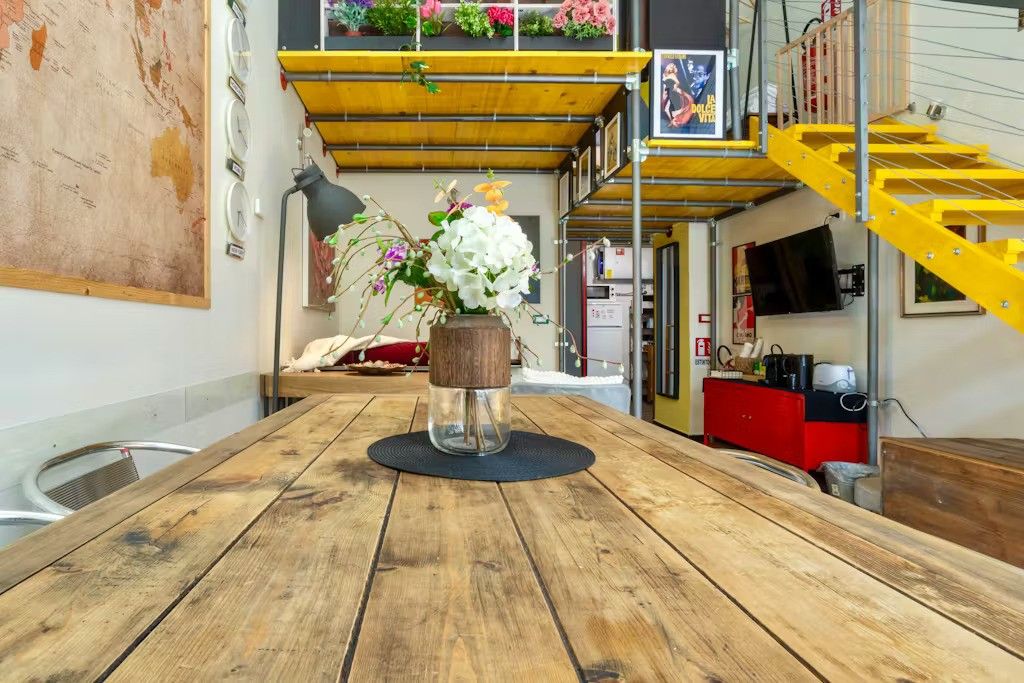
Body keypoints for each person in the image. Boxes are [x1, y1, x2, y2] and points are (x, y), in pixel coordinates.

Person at [661, 62, 694, 129]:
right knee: (667, 107)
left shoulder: (670, 76)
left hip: (674, 93)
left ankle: (674, 120)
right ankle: (673, 120)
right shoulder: (667, 76)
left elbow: (676, 83)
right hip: (670, 93)